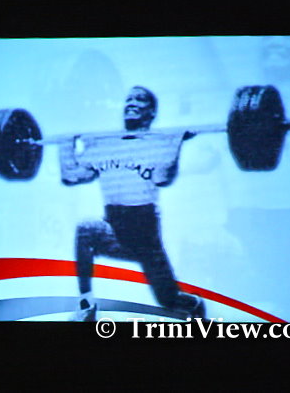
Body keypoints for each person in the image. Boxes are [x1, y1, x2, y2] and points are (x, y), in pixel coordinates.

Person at [59, 86, 206, 322]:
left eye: (140, 99)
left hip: (145, 236)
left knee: (168, 300)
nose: (131, 103)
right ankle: (86, 305)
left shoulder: (159, 143)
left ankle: (195, 306)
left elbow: (162, 178)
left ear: (151, 112)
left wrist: (176, 141)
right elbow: (72, 176)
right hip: (113, 229)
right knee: (85, 230)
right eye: (128, 99)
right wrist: (66, 145)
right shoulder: (105, 144)